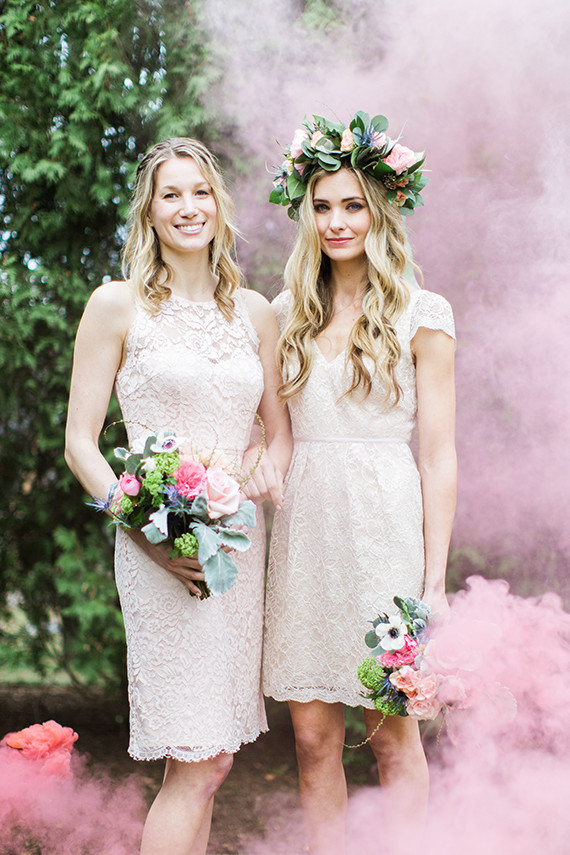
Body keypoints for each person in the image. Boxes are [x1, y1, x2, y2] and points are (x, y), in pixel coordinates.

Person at [65, 137, 291, 855]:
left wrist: (261, 463)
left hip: (235, 549)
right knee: (192, 758)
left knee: (215, 758)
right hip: (158, 546)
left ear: (219, 206)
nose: (187, 206)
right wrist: (146, 532)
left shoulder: (255, 312)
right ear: (150, 211)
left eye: (200, 192)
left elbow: (278, 435)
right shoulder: (116, 306)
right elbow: (80, 443)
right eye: (171, 194)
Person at [263, 113, 457, 854]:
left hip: (384, 530)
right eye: (322, 205)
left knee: (391, 734)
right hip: (309, 532)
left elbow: (438, 456)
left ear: (381, 211)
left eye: (352, 205)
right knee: (313, 740)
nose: (337, 220)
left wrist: (434, 580)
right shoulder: (284, 313)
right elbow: (269, 439)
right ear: (306, 213)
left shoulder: (422, 314)